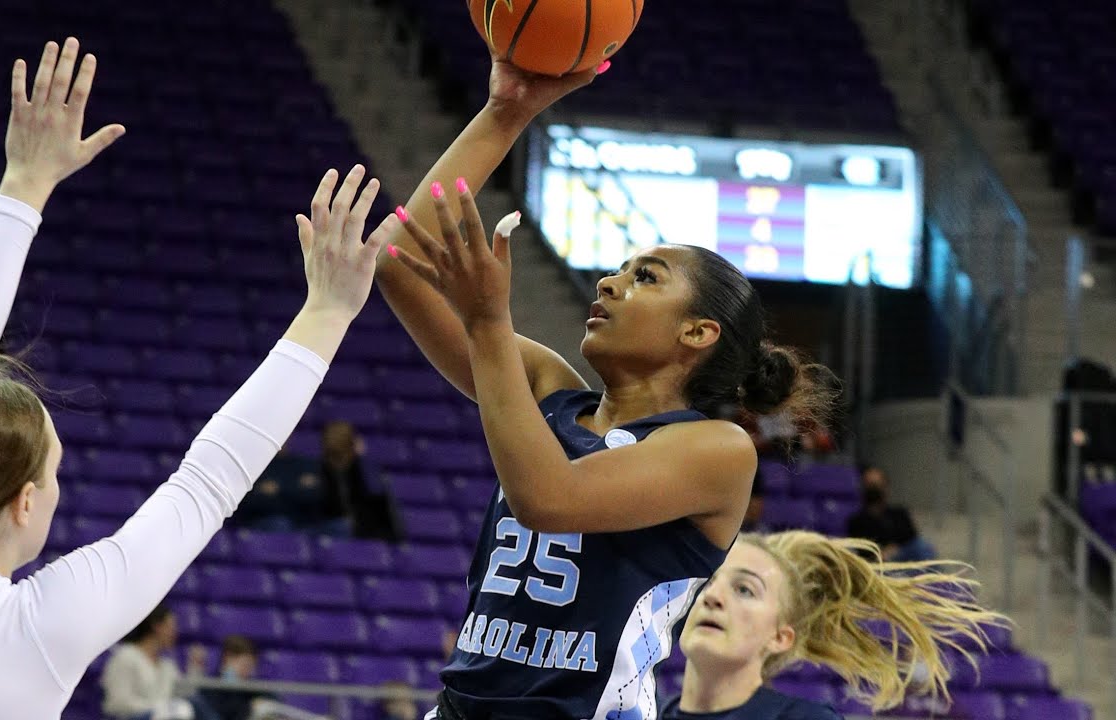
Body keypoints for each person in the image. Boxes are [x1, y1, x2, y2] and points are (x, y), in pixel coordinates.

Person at [0, 37, 384, 719]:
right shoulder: (28, 632)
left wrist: (23, 183)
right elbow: (207, 482)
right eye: (55, 473)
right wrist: (329, 309)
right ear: (24, 504)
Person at [367, 51, 839, 719]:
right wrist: (507, 114)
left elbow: (548, 499)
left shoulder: (718, 450)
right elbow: (401, 265)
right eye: (619, 269)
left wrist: (487, 321)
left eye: (645, 277)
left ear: (697, 334)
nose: (609, 283)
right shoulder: (552, 391)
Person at [663, 531, 1008, 719]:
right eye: (709, 581)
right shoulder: (640, 710)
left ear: (780, 637)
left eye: (744, 589)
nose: (713, 596)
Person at [102, 605, 217, 720]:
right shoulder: (126, 657)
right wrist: (158, 708)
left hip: (165, 715)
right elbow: (117, 703)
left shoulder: (167, 665)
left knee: (192, 704)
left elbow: (185, 695)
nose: (175, 633)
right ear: (157, 627)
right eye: (171, 627)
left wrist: (195, 669)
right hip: (136, 717)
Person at [318, 420, 399, 540]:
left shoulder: (365, 469)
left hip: (368, 531)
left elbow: (381, 506)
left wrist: (363, 461)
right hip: (331, 530)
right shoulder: (321, 469)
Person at [846, 465, 937, 562]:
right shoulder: (856, 520)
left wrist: (894, 548)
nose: (874, 490)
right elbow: (862, 548)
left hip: (902, 556)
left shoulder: (899, 512)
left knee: (923, 547)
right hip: (877, 561)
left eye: (877, 485)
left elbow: (911, 535)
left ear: (885, 487)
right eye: (870, 485)